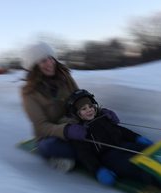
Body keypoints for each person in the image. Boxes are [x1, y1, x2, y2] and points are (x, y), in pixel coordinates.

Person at [20, 42, 119, 172]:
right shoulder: (29, 93)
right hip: (51, 136)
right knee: (50, 146)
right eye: (43, 61)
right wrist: (66, 130)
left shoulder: (65, 77)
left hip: (76, 125)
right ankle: (59, 157)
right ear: (34, 67)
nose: (49, 63)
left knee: (103, 132)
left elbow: (80, 102)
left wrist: (100, 112)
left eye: (51, 58)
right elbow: (41, 126)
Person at [67, 89, 159, 187]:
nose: (89, 110)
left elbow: (121, 131)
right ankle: (156, 180)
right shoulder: (80, 132)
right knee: (131, 165)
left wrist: (137, 138)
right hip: (109, 158)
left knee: (146, 150)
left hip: (122, 145)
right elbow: (85, 155)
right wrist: (98, 170)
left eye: (90, 106)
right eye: (84, 109)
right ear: (77, 113)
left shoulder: (103, 117)